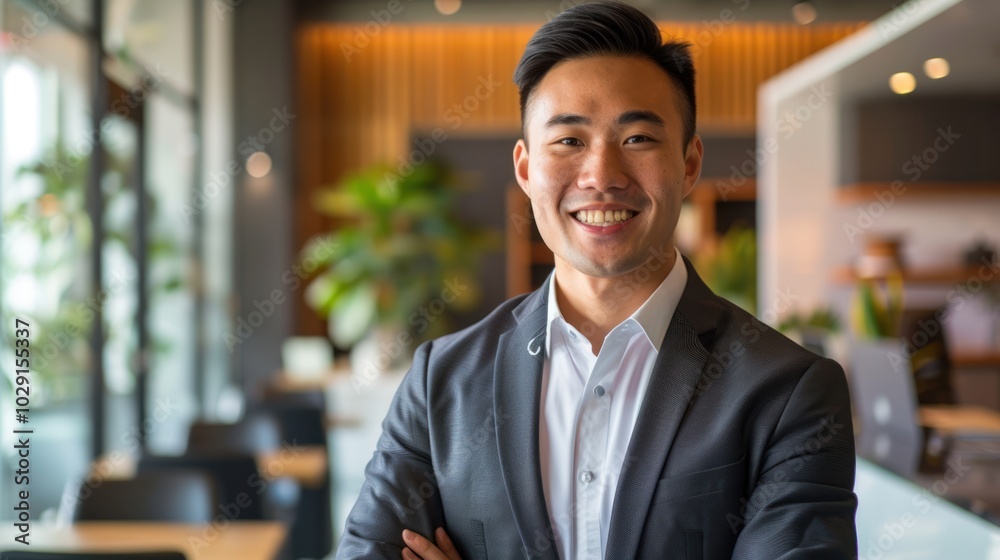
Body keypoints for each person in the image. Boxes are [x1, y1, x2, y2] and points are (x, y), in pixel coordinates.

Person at [336, 2, 858, 558]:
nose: (602, 175)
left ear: (688, 163)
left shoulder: (788, 391)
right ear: (526, 167)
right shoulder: (441, 382)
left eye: (637, 139)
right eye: (569, 141)